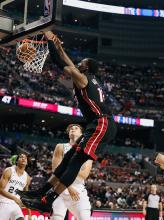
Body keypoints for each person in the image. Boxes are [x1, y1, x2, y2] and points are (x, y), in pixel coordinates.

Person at [18, 31, 117, 213]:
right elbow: (66, 59)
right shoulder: (87, 78)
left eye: (82, 62)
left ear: (86, 68)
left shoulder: (82, 78)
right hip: (97, 124)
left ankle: (48, 200)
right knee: (69, 158)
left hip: (102, 124)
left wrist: (49, 41)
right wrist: (59, 45)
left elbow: (59, 63)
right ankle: (42, 191)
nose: (78, 63)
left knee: (75, 161)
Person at [51, 124, 92, 220]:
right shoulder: (60, 147)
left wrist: (67, 166)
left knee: (85, 217)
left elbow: (84, 175)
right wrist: (68, 186)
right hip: (60, 190)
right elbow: (56, 171)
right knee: (57, 217)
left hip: (78, 191)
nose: (72, 130)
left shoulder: (88, 152)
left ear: (82, 134)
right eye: (70, 129)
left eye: (76, 128)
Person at [0, 153, 31, 220]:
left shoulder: (27, 177)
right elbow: (0, 189)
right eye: (21, 157)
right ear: (16, 161)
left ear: (27, 163)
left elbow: (26, 196)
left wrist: (29, 214)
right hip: (3, 202)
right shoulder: (9, 171)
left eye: (25, 158)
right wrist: (15, 198)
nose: (23, 158)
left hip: (15, 205)